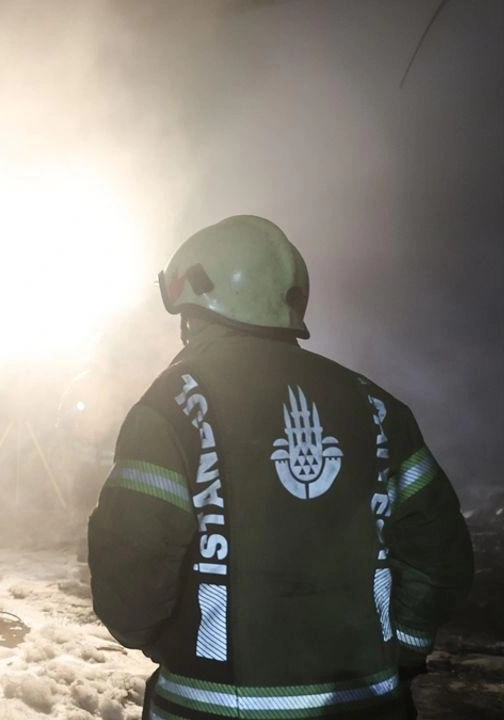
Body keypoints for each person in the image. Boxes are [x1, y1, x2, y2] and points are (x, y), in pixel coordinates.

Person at [87, 215, 473, 719]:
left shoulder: (171, 404)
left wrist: (167, 639)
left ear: (195, 308)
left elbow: (131, 573)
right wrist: (401, 648)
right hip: (370, 706)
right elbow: (438, 553)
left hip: (210, 708)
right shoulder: (377, 405)